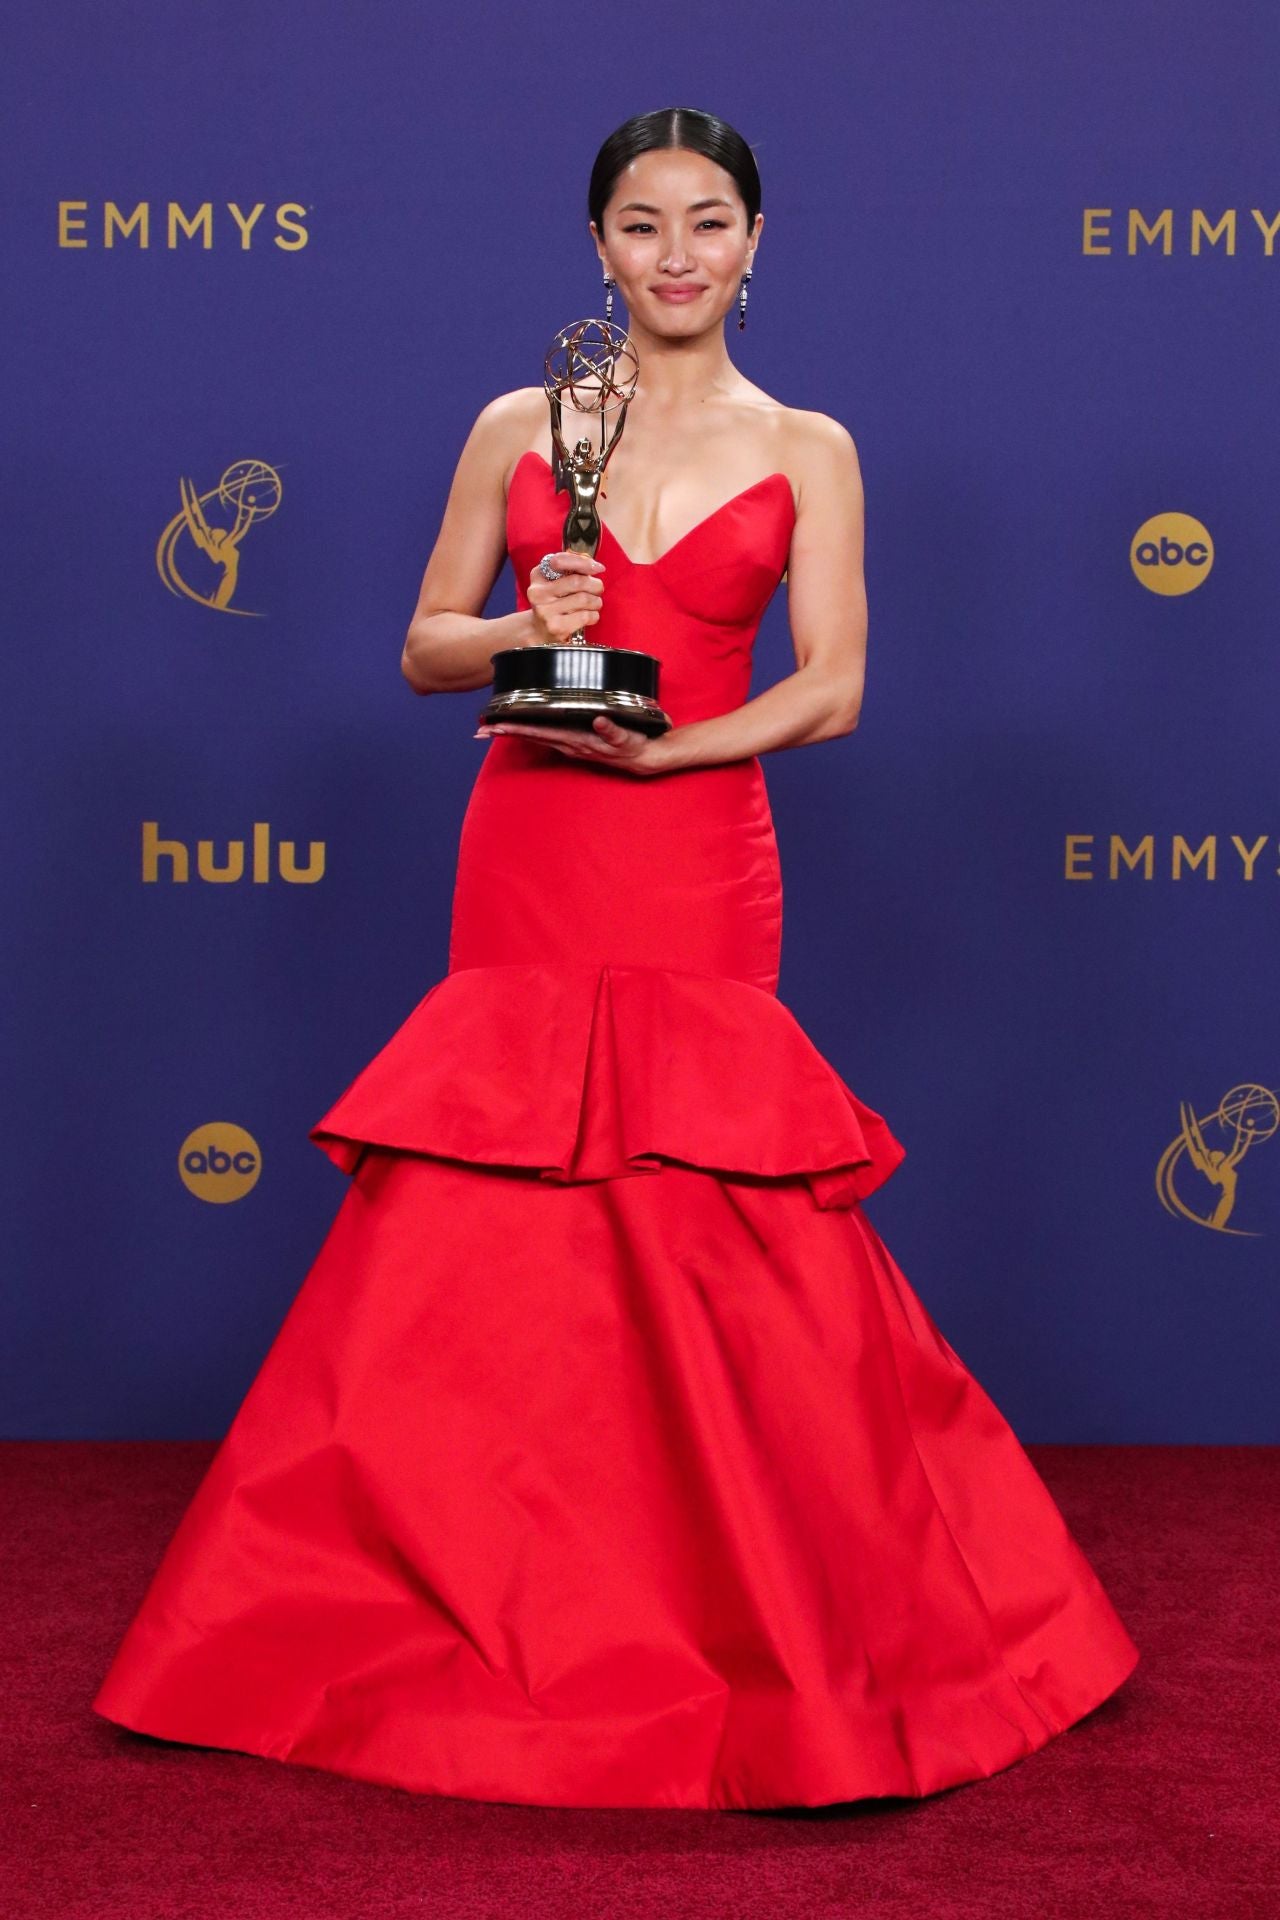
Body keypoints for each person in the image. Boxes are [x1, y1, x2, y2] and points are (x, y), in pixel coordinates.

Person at [92, 105, 1140, 1812]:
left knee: (712, 1214)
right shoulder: (522, 423)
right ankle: (467, 1594)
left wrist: (677, 749)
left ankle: (775, 1612)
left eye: (707, 222)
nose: (675, 254)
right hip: (529, 838)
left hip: (694, 848)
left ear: (754, 245)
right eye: (642, 224)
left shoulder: (810, 446)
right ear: (598, 247)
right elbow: (428, 645)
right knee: (489, 1221)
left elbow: (836, 682)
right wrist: (530, 626)